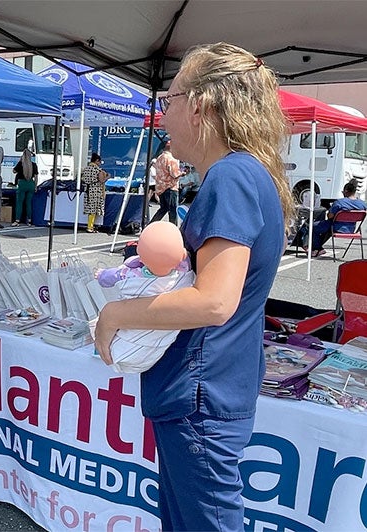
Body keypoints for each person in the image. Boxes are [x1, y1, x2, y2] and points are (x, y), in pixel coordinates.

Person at [94, 43, 294, 531]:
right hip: (209, 385)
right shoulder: (240, 172)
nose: (164, 115)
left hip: (201, 388)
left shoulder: (232, 175)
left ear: (200, 104)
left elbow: (214, 300)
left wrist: (116, 314)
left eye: (170, 100)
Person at [92, 221, 195, 373]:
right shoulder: (183, 271)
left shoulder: (132, 274)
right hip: (164, 339)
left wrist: (100, 274)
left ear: (139, 252)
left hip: (133, 335)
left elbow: (109, 277)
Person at [309, 179, 366, 257]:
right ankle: (318, 249)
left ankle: (317, 248)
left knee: (313, 226)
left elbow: (330, 216)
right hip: (351, 229)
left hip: (335, 227)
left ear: (346, 191)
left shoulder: (339, 202)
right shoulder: (362, 204)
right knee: (324, 226)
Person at [151, 140, 182, 224]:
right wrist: (183, 173)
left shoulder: (160, 158)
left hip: (161, 187)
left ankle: (151, 225)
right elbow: (175, 174)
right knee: (173, 210)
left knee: (163, 209)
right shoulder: (171, 159)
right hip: (170, 187)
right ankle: (173, 228)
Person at [81, 152, 109, 233]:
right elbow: (101, 180)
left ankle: (90, 226)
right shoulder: (97, 170)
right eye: (100, 162)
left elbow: (83, 179)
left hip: (88, 190)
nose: (100, 164)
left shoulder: (86, 169)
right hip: (96, 191)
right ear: (97, 161)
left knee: (90, 209)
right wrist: (107, 177)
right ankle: (90, 227)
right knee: (94, 210)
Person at [12, 149, 38, 226]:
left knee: (19, 203)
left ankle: (17, 220)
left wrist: (20, 160)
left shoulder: (21, 164)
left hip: (22, 184)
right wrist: (35, 186)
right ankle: (29, 220)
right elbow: (36, 177)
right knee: (28, 203)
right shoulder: (34, 165)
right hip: (31, 184)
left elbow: (14, 171)